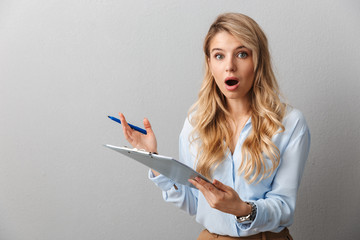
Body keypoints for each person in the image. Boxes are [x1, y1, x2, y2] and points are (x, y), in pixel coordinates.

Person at [118, 12, 310, 240]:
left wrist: (242, 210)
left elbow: (284, 207)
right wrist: (152, 159)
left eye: (241, 54)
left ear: (258, 61)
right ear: (209, 63)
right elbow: (194, 204)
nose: (230, 66)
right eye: (219, 56)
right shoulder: (196, 123)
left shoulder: (290, 123)